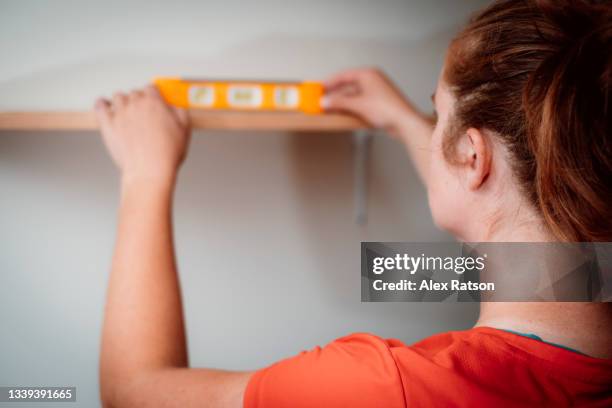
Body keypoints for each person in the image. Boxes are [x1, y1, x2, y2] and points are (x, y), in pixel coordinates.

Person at [94, 0, 612, 406]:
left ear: (473, 157)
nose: (432, 134)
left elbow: (134, 392)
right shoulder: (582, 284)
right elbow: (538, 265)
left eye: (439, 118)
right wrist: (405, 121)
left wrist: (145, 174)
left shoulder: (387, 389)